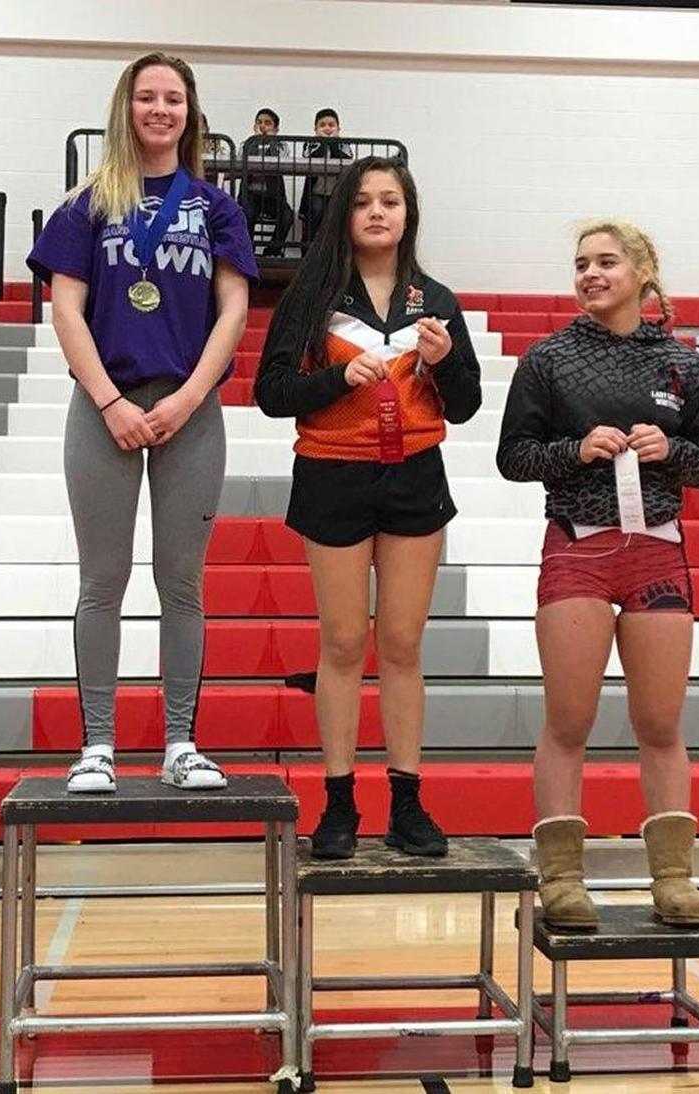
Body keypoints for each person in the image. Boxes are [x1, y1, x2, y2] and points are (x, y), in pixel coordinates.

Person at [27, 52, 257, 794]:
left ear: (191, 113)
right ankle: (97, 744)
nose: (161, 109)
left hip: (190, 408)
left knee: (181, 582)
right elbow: (65, 309)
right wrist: (110, 402)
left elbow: (234, 308)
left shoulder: (216, 207)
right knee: (103, 579)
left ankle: (181, 742)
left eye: (175, 99)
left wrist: (191, 396)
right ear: (126, 108)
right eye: (148, 97)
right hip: (106, 407)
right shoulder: (87, 202)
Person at [496, 221, 699, 929]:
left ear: (641, 273)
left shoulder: (684, 365)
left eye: (605, 262)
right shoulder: (549, 359)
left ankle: (673, 877)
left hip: (658, 553)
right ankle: (563, 878)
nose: (591, 274)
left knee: (660, 723)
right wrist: (576, 448)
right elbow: (514, 456)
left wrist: (672, 450)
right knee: (570, 720)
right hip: (577, 549)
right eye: (581, 264)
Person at [255, 157, 482, 860]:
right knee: (345, 643)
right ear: (344, 215)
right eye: (363, 202)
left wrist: (443, 363)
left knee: (405, 644)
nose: (378, 212)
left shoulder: (436, 299)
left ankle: (408, 801)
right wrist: (334, 378)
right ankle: (339, 801)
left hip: (415, 478)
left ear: (409, 212)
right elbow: (270, 392)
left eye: (391, 200)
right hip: (331, 477)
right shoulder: (311, 296)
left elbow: (468, 404)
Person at [238, 107, 295, 257]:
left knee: (287, 215)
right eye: (259, 122)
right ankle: (247, 251)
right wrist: (256, 142)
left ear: (276, 129)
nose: (263, 126)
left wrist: (271, 141)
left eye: (268, 123)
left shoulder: (282, 145)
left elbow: (282, 160)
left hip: (272, 196)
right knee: (246, 213)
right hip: (251, 194)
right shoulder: (246, 143)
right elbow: (240, 162)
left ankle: (272, 250)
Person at [299, 108, 353, 244]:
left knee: (338, 218)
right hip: (316, 193)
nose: (327, 129)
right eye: (322, 125)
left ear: (338, 129)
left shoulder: (344, 144)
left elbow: (347, 159)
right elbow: (308, 157)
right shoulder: (310, 143)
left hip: (336, 194)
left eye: (331, 125)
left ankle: (333, 253)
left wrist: (333, 143)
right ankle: (307, 249)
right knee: (316, 211)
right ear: (315, 129)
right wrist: (323, 143)